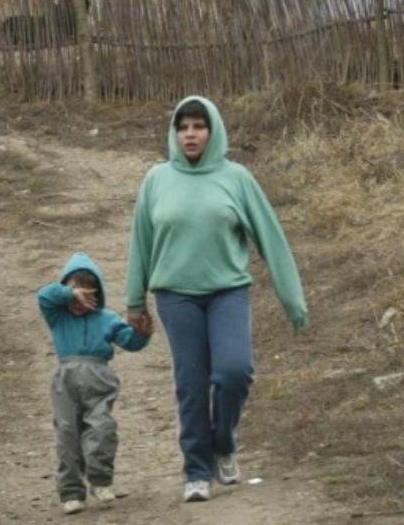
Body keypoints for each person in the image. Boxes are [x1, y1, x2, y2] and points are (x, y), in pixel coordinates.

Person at [123, 96, 308, 504]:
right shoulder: (156, 179)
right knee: (191, 383)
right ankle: (197, 470)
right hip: (176, 296)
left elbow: (270, 238)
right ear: (174, 133)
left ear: (213, 131)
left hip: (227, 292)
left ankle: (223, 442)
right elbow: (141, 241)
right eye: (183, 127)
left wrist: (292, 299)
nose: (190, 134)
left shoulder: (236, 177)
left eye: (198, 127)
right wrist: (134, 300)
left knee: (234, 371)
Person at [37, 252, 153, 515]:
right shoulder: (58, 317)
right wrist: (69, 294)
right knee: (67, 434)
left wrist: (142, 334)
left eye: (88, 296)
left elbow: (130, 342)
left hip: (100, 378)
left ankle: (101, 479)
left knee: (102, 428)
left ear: (97, 295)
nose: (81, 302)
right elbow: (44, 295)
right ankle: (71, 491)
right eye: (76, 295)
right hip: (64, 381)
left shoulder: (107, 318)